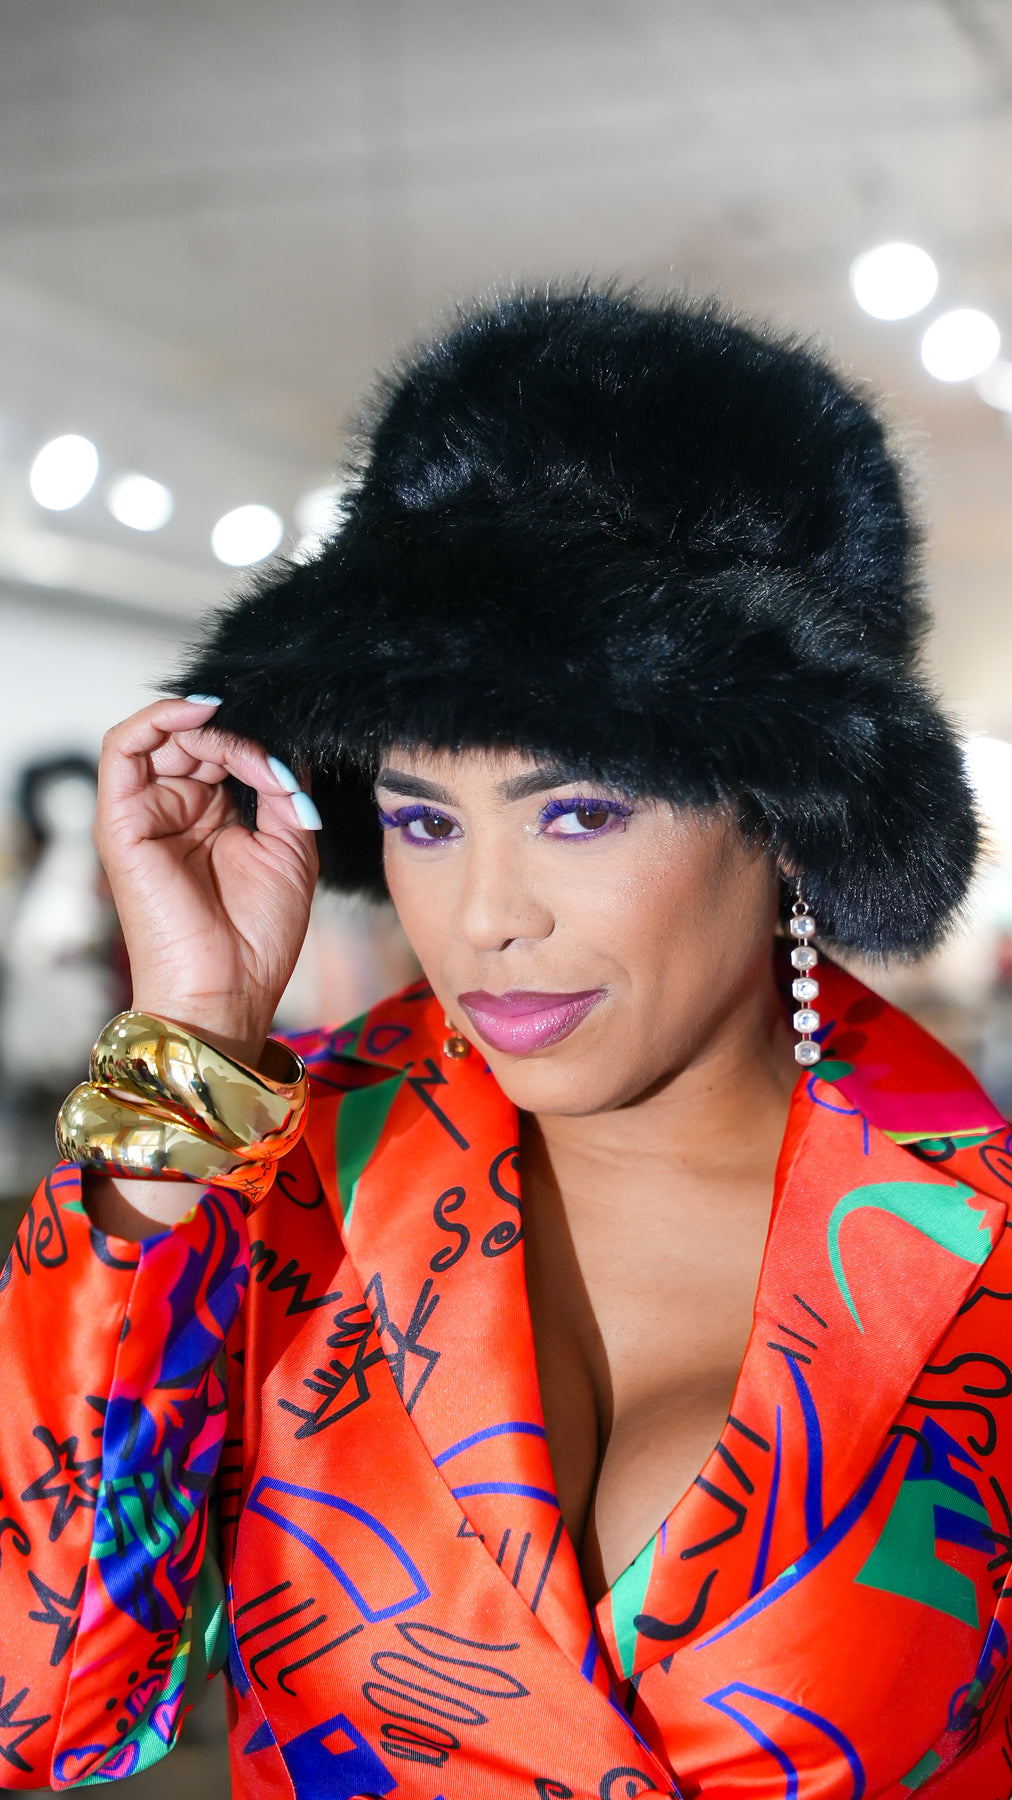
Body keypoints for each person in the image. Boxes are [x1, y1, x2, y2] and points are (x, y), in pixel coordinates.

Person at [1, 289, 1010, 1800]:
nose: (483, 919)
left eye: (579, 812)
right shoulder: (282, 1182)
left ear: (790, 812)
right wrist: (191, 1042)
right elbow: (41, 1700)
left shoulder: (981, 1245)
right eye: (423, 820)